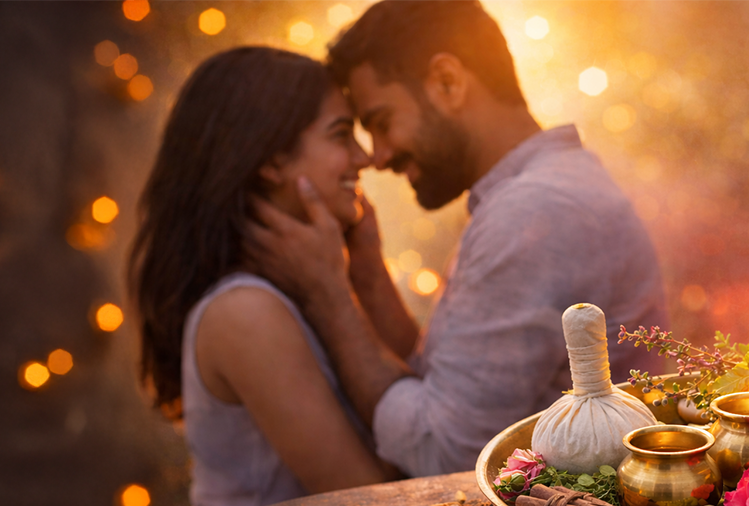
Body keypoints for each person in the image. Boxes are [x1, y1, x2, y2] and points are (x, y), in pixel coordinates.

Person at [246, 0, 669, 477]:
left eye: (381, 123)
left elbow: (444, 455)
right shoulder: (539, 191)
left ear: (448, 81)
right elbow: (444, 388)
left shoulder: (529, 211)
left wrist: (327, 294)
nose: (378, 157)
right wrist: (367, 276)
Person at [128, 47, 398, 506]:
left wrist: (366, 274)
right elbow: (369, 501)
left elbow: (417, 409)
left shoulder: (299, 287)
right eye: (341, 135)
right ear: (272, 160)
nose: (364, 157)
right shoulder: (244, 312)